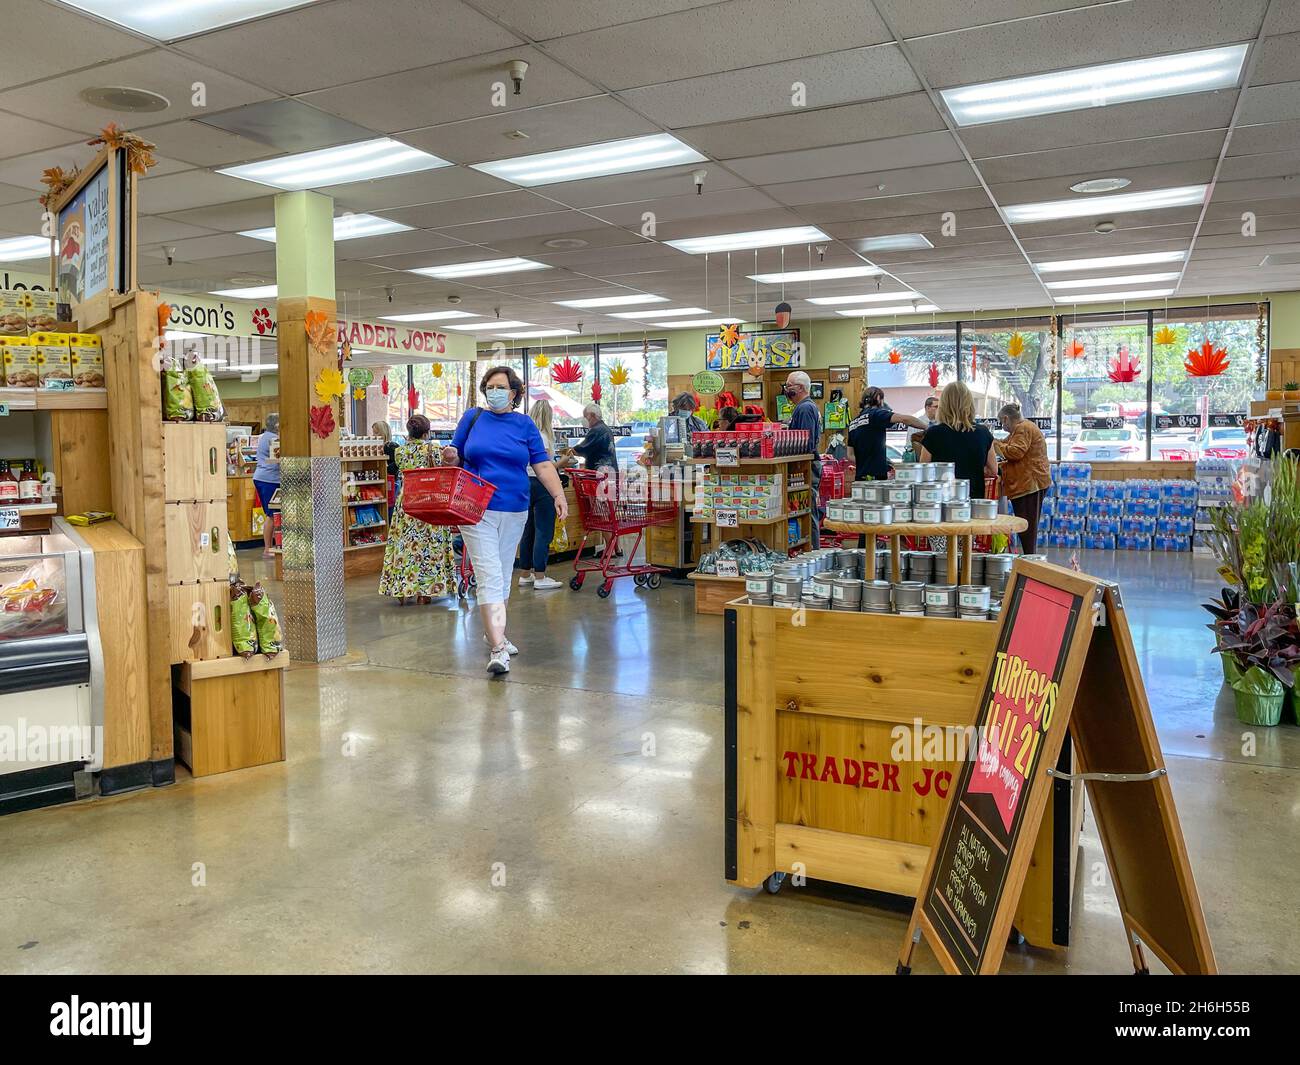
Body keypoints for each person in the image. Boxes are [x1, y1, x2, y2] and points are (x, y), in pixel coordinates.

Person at [442, 366, 568, 676]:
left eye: (500, 387)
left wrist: (558, 495)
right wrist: (449, 456)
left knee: (501, 573)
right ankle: (498, 649)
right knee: (488, 574)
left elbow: (543, 465)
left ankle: (494, 631)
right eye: (489, 386)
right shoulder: (472, 419)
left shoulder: (524, 425)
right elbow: (456, 454)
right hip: (475, 509)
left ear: (513, 393)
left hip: (515, 509)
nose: (493, 391)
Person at [378, 414, 457, 606]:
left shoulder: (399, 452)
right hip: (428, 502)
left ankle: (403, 588)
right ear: (427, 432)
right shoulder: (434, 449)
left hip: (406, 502)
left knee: (405, 545)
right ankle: (426, 593)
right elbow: (449, 465)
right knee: (429, 546)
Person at [514, 400, 564, 590]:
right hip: (543, 486)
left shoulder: (526, 436)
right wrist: (564, 462)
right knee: (543, 530)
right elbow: (546, 466)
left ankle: (525, 573)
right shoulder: (543, 437)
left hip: (526, 484)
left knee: (528, 530)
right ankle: (541, 576)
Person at [919, 381, 998, 499]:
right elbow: (993, 470)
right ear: (969, 404)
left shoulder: (933, 433)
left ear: (943, 405)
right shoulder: (983, 433)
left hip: (942, 500)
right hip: (973, 499)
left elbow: (924, 470)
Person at [994, 403, 1051, 554]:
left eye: (1001, 422)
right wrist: (995, 442)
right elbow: (1005, 444)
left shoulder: (1023, 428)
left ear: (1006, 419)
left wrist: (994, 444)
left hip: (1030, 484)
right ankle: (1029, 559)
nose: (1002, 427)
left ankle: (1030, 562)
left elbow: (1015, 452)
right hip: (1030, 483)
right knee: (1028, 527)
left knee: (1027, 528)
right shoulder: (1022, 428)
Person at [568, 402, 620, 558]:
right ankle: (615, 548)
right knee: (610, 513)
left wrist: (569, 452)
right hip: (610, 474)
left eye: (585, 416)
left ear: (592, 416)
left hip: (600, 477)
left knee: (601, 514)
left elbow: (582, 448)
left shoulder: (596, 431)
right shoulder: (606, 429)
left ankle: (609, 550)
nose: (585, 420)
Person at [847, 386, 928, 480]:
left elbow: (850, 455)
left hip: (860, 477)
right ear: (878, 398)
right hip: (875, 478)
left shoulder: (853, 423)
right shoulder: (875, 414)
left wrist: (868, 462)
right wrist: (928, 428)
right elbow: (905, 419)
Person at [784, 371, 823, 548]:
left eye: (789, 385)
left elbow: (805, 442)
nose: (786, 388)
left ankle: (813, 552)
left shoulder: (805, 408)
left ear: (800, 388)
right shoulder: (803, 407)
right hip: (804, 467)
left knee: (809, 512)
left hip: (807, 467)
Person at [252, 412, 280, 559]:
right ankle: (268, 548)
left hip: (262, 478)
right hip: (270, 479)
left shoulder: (265, 436)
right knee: (272, 514)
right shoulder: (274, 439)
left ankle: (271, 546)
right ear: (276, 425)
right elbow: (278, 460)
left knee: (273, 513)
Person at [373, 420, 398, 508]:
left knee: (389, 507)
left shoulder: (391, 446)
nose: (373, 435)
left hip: (391, 481)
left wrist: (386, 468)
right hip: (384, 481)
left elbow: (397, 464)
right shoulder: (376, 447)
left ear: (383, 433)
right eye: (373, 433)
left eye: (376, 433)